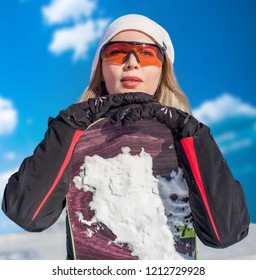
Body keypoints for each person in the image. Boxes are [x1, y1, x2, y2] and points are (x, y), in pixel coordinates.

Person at [2, 14, 250, 259]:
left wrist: (192, 135)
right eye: (118, 52)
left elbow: (225, 233)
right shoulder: (73, 131)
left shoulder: (187, 137)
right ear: (101, 67)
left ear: (163, 71)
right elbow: (27, 214)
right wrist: (70, 124)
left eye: (147, 53)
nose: (132, 62)